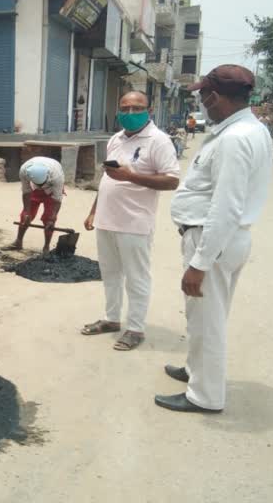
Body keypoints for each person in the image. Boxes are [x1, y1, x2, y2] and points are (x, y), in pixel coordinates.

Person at [158, 64, 273, 413]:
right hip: (221, 240)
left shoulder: (236, 139)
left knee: (208, 321)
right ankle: (196, 371)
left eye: (204, 95)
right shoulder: (247, 130)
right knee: (203, 317)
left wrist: (200, 263)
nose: (202, 102)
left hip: (212, 240)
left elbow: (226, 206)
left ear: (216, 96)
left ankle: (205, 396)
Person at [82, 91, 180, 351]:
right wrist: (94, 210)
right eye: (125, 108)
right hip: (106, 220)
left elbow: (171, 180)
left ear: (149, 109)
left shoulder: (159, 141)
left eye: (137, 108)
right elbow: (108, 179)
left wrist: (131, 177)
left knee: (137, 278)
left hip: (134, 223)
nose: (130, 113)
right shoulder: (115, 139)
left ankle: (135, 328)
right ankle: (112, 319)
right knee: (110, 274)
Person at [7, 156, 65, 255]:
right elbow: (26, 192)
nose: (41, 187)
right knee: (24, 217)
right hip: (33, 190)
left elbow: (57, 199)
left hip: (51, 191)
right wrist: (26, 212)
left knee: (48, 220)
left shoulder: (57, 176)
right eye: (39, 185)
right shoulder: (24, 171)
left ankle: (46, 247)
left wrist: (52, 218)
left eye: (42, 184)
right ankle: (18, 242)